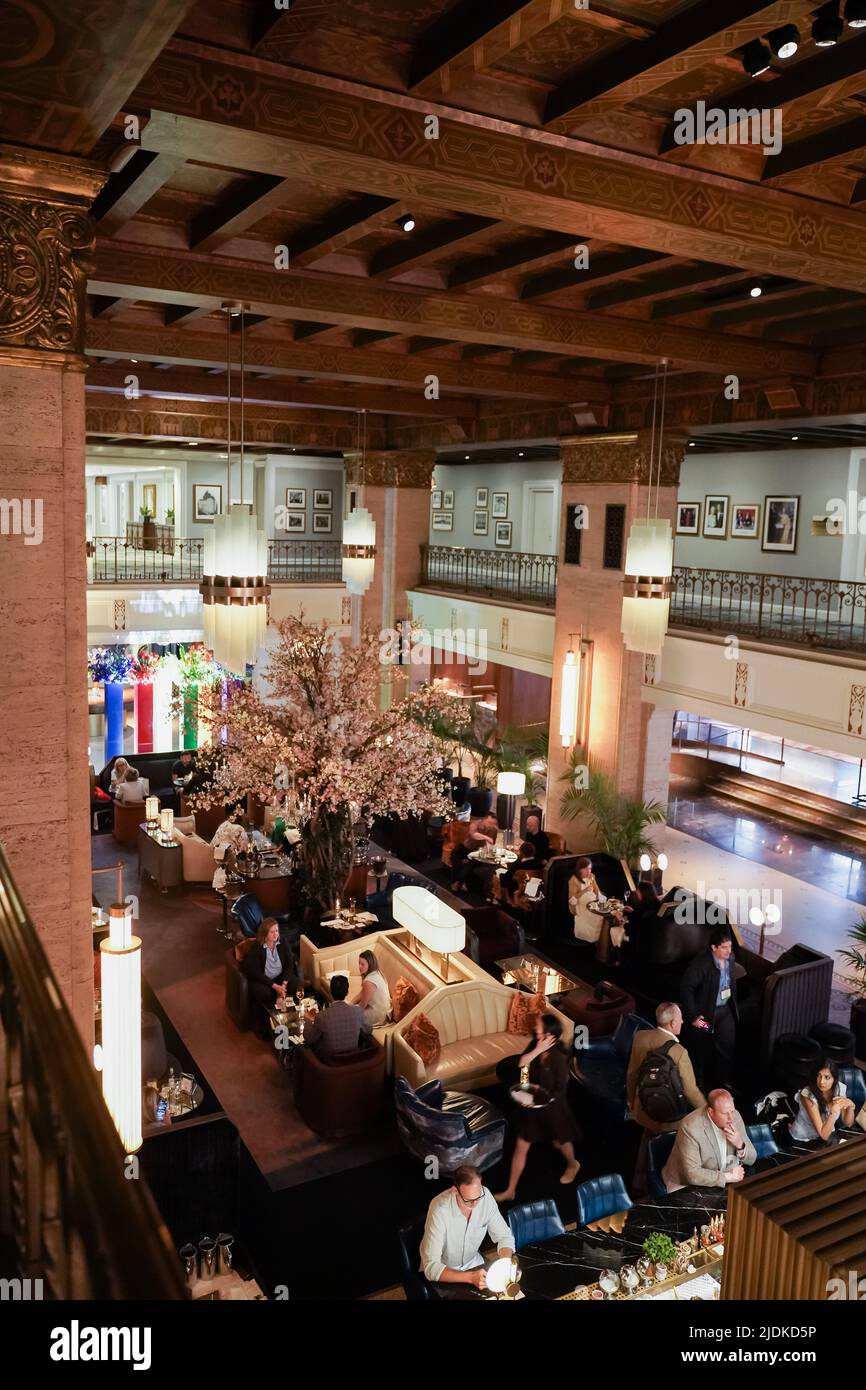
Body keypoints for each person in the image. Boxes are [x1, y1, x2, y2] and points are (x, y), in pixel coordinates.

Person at [494, 1013, 581, 1202]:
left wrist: (543, 1101)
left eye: (540, 1026)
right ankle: (511, 1190)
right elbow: (522, 1063)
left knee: (559, 1141)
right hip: (532, 1105)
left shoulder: (559, 1057)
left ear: (551, 1033)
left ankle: (573, 1164)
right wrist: (538, 1049)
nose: (536, 1028)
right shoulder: (536, 1044)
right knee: (521, 1145)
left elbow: (561, 1090)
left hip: (553, 1108)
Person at [420, 1164, 514, 1290]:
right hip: (445, 1271)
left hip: (473, 1263)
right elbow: (431, 1267)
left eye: (478, 1197)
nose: (475, 1204)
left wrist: (504, 1265)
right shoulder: (439, 1208)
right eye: (468, 1200)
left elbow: (504, 1237)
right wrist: (470, 1277)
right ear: (455, 1191)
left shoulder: (485, 1197)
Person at [627, 1002, 705, 1134]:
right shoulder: (679, 1052)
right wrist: (707, 1109)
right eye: (680, 1018)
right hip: (669, 1118)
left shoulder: (640, 1036)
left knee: (647, 1140)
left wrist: (632, 1102)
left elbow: (632, 1073)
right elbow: (690, 1091)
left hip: (644, 1108)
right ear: (673, 1023)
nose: (682, 1021)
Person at [662, 1089, 757, 1193]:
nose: (731, 1118)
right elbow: (692, 1174)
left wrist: (740, 1145)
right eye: (725, 1113)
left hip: (721, 1175)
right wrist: (727, 1177)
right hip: (683, 1182)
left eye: (732, 1111)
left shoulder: (735, 1117)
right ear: (711, 1112)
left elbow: (752, 1158)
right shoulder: (690, 1127)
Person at [681, 925, 739, 1090]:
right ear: (713, 948)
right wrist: (693, 1016)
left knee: (727, 1046)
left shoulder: (730, 959)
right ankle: (697, 1083)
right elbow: (687, 988)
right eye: (724, 947)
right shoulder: (701, 964)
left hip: (725, 1012)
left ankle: (723, 1081)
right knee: (700, 1048)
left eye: (730, 947)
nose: (729, 951)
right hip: (706, 1015)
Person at [789, 1058, 856, 1145]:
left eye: (827, 1077)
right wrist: (833, 1112)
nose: (821, 1082)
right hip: (802, 1140)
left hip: (826, 1137)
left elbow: (848, 1123)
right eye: (818, 1076)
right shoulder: (807, 1095)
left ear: (834, 1079)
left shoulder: (839, 1088)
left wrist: (850, 1106)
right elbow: (823, 1135)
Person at [303, 972, 370, 1057]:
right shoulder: (358, 1012)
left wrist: (308, 1019)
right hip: (353, 1060)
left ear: (330, 992)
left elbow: (309, 1038)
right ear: (347, 993)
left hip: (330, 1063)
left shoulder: (322, 1016)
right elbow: (368, 1030)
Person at [241, 918, 298, 1018]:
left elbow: (289, 963)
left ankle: (289, 1014)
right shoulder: (257, 946)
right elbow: (255, 972)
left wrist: (283, 985)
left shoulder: (282, 941)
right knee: (264, 993)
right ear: (265, 934)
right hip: (263, 979)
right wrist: (275, 987)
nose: (276, 934)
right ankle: (268, 1017)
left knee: (294, 982)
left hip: (279, 976)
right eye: (272, 932)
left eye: (276, 930)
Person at [450, 812, 499, 894]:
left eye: (493, 824)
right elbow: (474, 835)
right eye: (489, 822)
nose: (491, 825)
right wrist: (486, 838)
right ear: (484, 820)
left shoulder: (494, 830)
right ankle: (461, 882)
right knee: (455, 853)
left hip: (478, 851)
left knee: (472, 861)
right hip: (466, 848)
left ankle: (458, 882)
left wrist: (487, 847)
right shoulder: (475, 824)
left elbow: (490, 844)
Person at [351, 949, 391, 1029]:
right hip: (384, 1009)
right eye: (359, 963)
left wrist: (348, 1010)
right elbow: (362, 993)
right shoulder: (376, 972)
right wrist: (350, 1003)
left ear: (370, 964)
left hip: (379, 1014)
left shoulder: (369, 982)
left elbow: (362, 1006)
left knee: (349, 1018)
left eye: (362, 964)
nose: (359, 966)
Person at [567, 856, 602, 943]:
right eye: (586, 869)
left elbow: (597, 890)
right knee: (597, 916)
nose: (588, 871)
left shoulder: (592, 876)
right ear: (579, 869)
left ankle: (603, 938)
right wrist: (585, 890)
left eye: (590, 868)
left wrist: (601, 898)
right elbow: (572, 899)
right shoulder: (573, 880)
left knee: (601, 912)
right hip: (579, 905)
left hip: (592, 901)